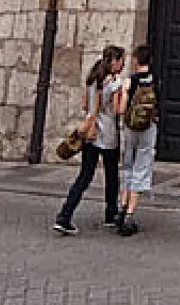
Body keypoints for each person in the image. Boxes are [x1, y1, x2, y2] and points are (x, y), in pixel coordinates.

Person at [54, 45, 124, 235]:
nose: (123, 64)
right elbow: (118, 110)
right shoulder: (115, 84)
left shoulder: (92, 79)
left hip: (90, 133)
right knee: (111, 176)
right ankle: (111, 213)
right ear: (114, 61)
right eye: (121, 60)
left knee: (84, 176)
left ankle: (65, 215)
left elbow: (85, 105)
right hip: (108, 133)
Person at [113, 44, 158, 237]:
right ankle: (130, 214)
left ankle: (122, 208)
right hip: (148, 128)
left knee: (129, 166)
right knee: (142, 166)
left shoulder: (129, 82)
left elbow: (122, 110)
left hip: (130, 128)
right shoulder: (155, 80)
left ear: (136, 60)